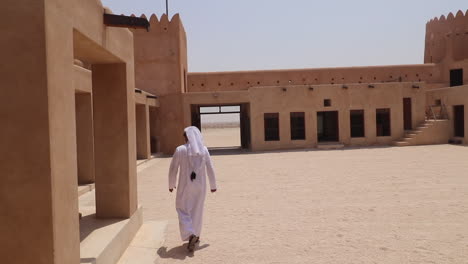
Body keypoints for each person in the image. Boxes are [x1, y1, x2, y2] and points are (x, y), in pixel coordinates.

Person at [168, 126, 217, 252]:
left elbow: (173, 169)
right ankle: (196, 235)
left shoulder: (180, 150)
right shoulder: (204, 150)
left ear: (186, 137)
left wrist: (171, 184)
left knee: (182, 209)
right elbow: (210, 168)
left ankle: (191, 234)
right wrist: (213, 186)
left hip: (185, 187)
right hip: (200, 187)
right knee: (197, 211)